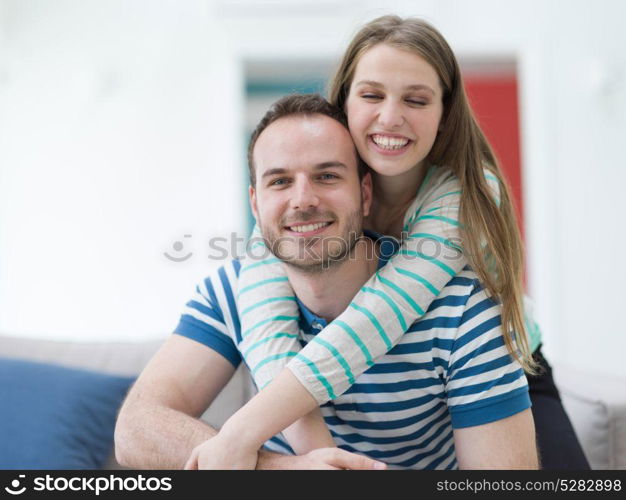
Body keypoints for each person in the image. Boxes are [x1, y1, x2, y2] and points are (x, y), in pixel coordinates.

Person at [228, 16, 588, 469]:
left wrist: (240, 432)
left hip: (505, 364)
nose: (391, 116)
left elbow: (379, 314)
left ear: (443, 115)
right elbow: (263, 316)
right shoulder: (317, 198)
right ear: (344, 104)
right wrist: (314, 458)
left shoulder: (466, 197)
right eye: (372, 95)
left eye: (416, 99)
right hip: (379, 375)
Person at [115, 94, 538, 469]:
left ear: (365, 194)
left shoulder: (461, 308)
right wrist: (283, 471)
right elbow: (136, 429)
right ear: (255, 203)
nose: (303, 200)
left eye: (327, 176)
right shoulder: (231, 291)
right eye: (280, 181)